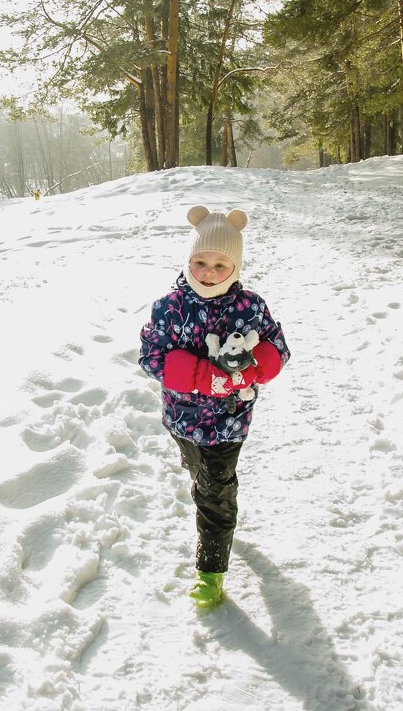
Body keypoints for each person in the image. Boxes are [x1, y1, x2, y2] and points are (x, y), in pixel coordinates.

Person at [138, 205, 290, 609]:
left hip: (229, 422)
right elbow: (150, 357)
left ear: (235, 266)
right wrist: (201, 376)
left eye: (220, 264)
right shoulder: (168, 308)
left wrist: (256, 368)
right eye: (200, 261)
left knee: (216, 490)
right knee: (199, 473)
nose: (208, 271)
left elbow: (278, 347)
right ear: (189, 261)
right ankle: (207, 487)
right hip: (182, 421)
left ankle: (210, 570)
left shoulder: (250, 307)